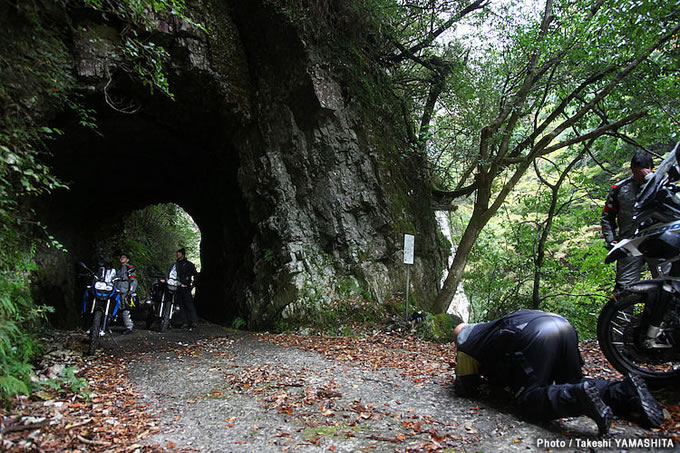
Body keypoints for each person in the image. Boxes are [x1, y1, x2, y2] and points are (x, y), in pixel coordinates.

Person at [453, 309, 664, 435]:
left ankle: (575, 398)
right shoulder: (490, 327)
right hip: (562, 325)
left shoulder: (466, 342)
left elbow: (467, 387)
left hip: (533, 334)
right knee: (573, 381)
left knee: (528, 401)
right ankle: (624, 392)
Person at [601, 151, 654, 291]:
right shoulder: (619, 189)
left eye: (643, 174)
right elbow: (607, 216)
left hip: (658, 239)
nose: (640, 178)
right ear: (631, 170)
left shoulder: (662, 185)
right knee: (625, 287)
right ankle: (622, 313)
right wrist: (611, 240)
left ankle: (664, 312)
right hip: (629, 243)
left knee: (667, 284)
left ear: (651, 168)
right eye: (637, 173)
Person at [167, 248, 199, 330]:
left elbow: (196, 275)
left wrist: (192, 285)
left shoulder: (189, 265)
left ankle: (193, 321)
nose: (177, 255)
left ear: (183, 254)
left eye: (179, 253)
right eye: (177, 253)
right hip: (177, 287)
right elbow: (170, 275)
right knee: (181, 305)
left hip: (186, 287)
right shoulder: (174, 265)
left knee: (189, 304)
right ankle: (184, 322)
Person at [114, 253, 137, 335]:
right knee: (117, 306)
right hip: (117, 290)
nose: (121, 258)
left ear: (127, 260)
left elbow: (133, 280)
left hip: (125, 290)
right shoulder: (119, 270)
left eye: (124, 257)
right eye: (121, 257)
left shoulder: (130, 268)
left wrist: (131, 291)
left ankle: (129, 326)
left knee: (125, 308)